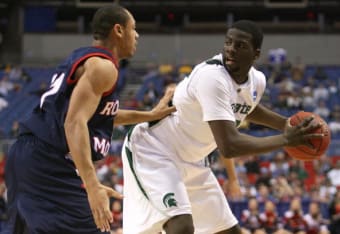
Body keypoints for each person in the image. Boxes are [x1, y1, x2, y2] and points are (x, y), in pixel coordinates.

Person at [121, 20, 322, 234]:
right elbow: (229, 146)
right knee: (181, 226)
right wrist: (286, 139)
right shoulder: (212, 77)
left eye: (240, 45)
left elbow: (246, 107)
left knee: (228, 231)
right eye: (228, 43)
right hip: (154, 150)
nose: (231, 49)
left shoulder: (258, 81)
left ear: (256, 54)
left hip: (192, 159)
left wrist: (285, 124)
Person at [4, 5, 175, 234]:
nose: (137, 35)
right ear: (118, 30)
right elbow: (74, 123)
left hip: (29, 155)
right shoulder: (104, 68)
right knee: (97, 227)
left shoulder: (86, 59)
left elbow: (102, 115)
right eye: (133, 28)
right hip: (45, 158)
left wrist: (150, 115)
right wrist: (92, 185)